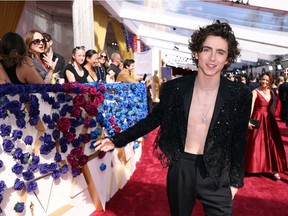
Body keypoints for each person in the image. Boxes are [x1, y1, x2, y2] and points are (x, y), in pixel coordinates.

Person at [95, 20, 252, 216]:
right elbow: (153, 120)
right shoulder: (175, 89)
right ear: (196, 52)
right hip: (182, 166)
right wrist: (117, 140)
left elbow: (238, 140)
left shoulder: (240, 94)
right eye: (207, 50)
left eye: (220, 52)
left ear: (228, 58)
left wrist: (236, 181)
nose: (212, 58)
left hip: (217, 171)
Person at [245, 72, 287, 180]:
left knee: (272, 143)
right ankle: (252, 166)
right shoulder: (255, 91)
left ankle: (274, 169)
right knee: (254, 142)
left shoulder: (271, 93)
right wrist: (249, 120)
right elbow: (251, 107)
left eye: (267, 80)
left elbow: (272, 109)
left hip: (269, 120)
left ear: (270, 82)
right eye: (263, 79)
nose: (264, 82)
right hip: (257, 118)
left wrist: (274, 122)